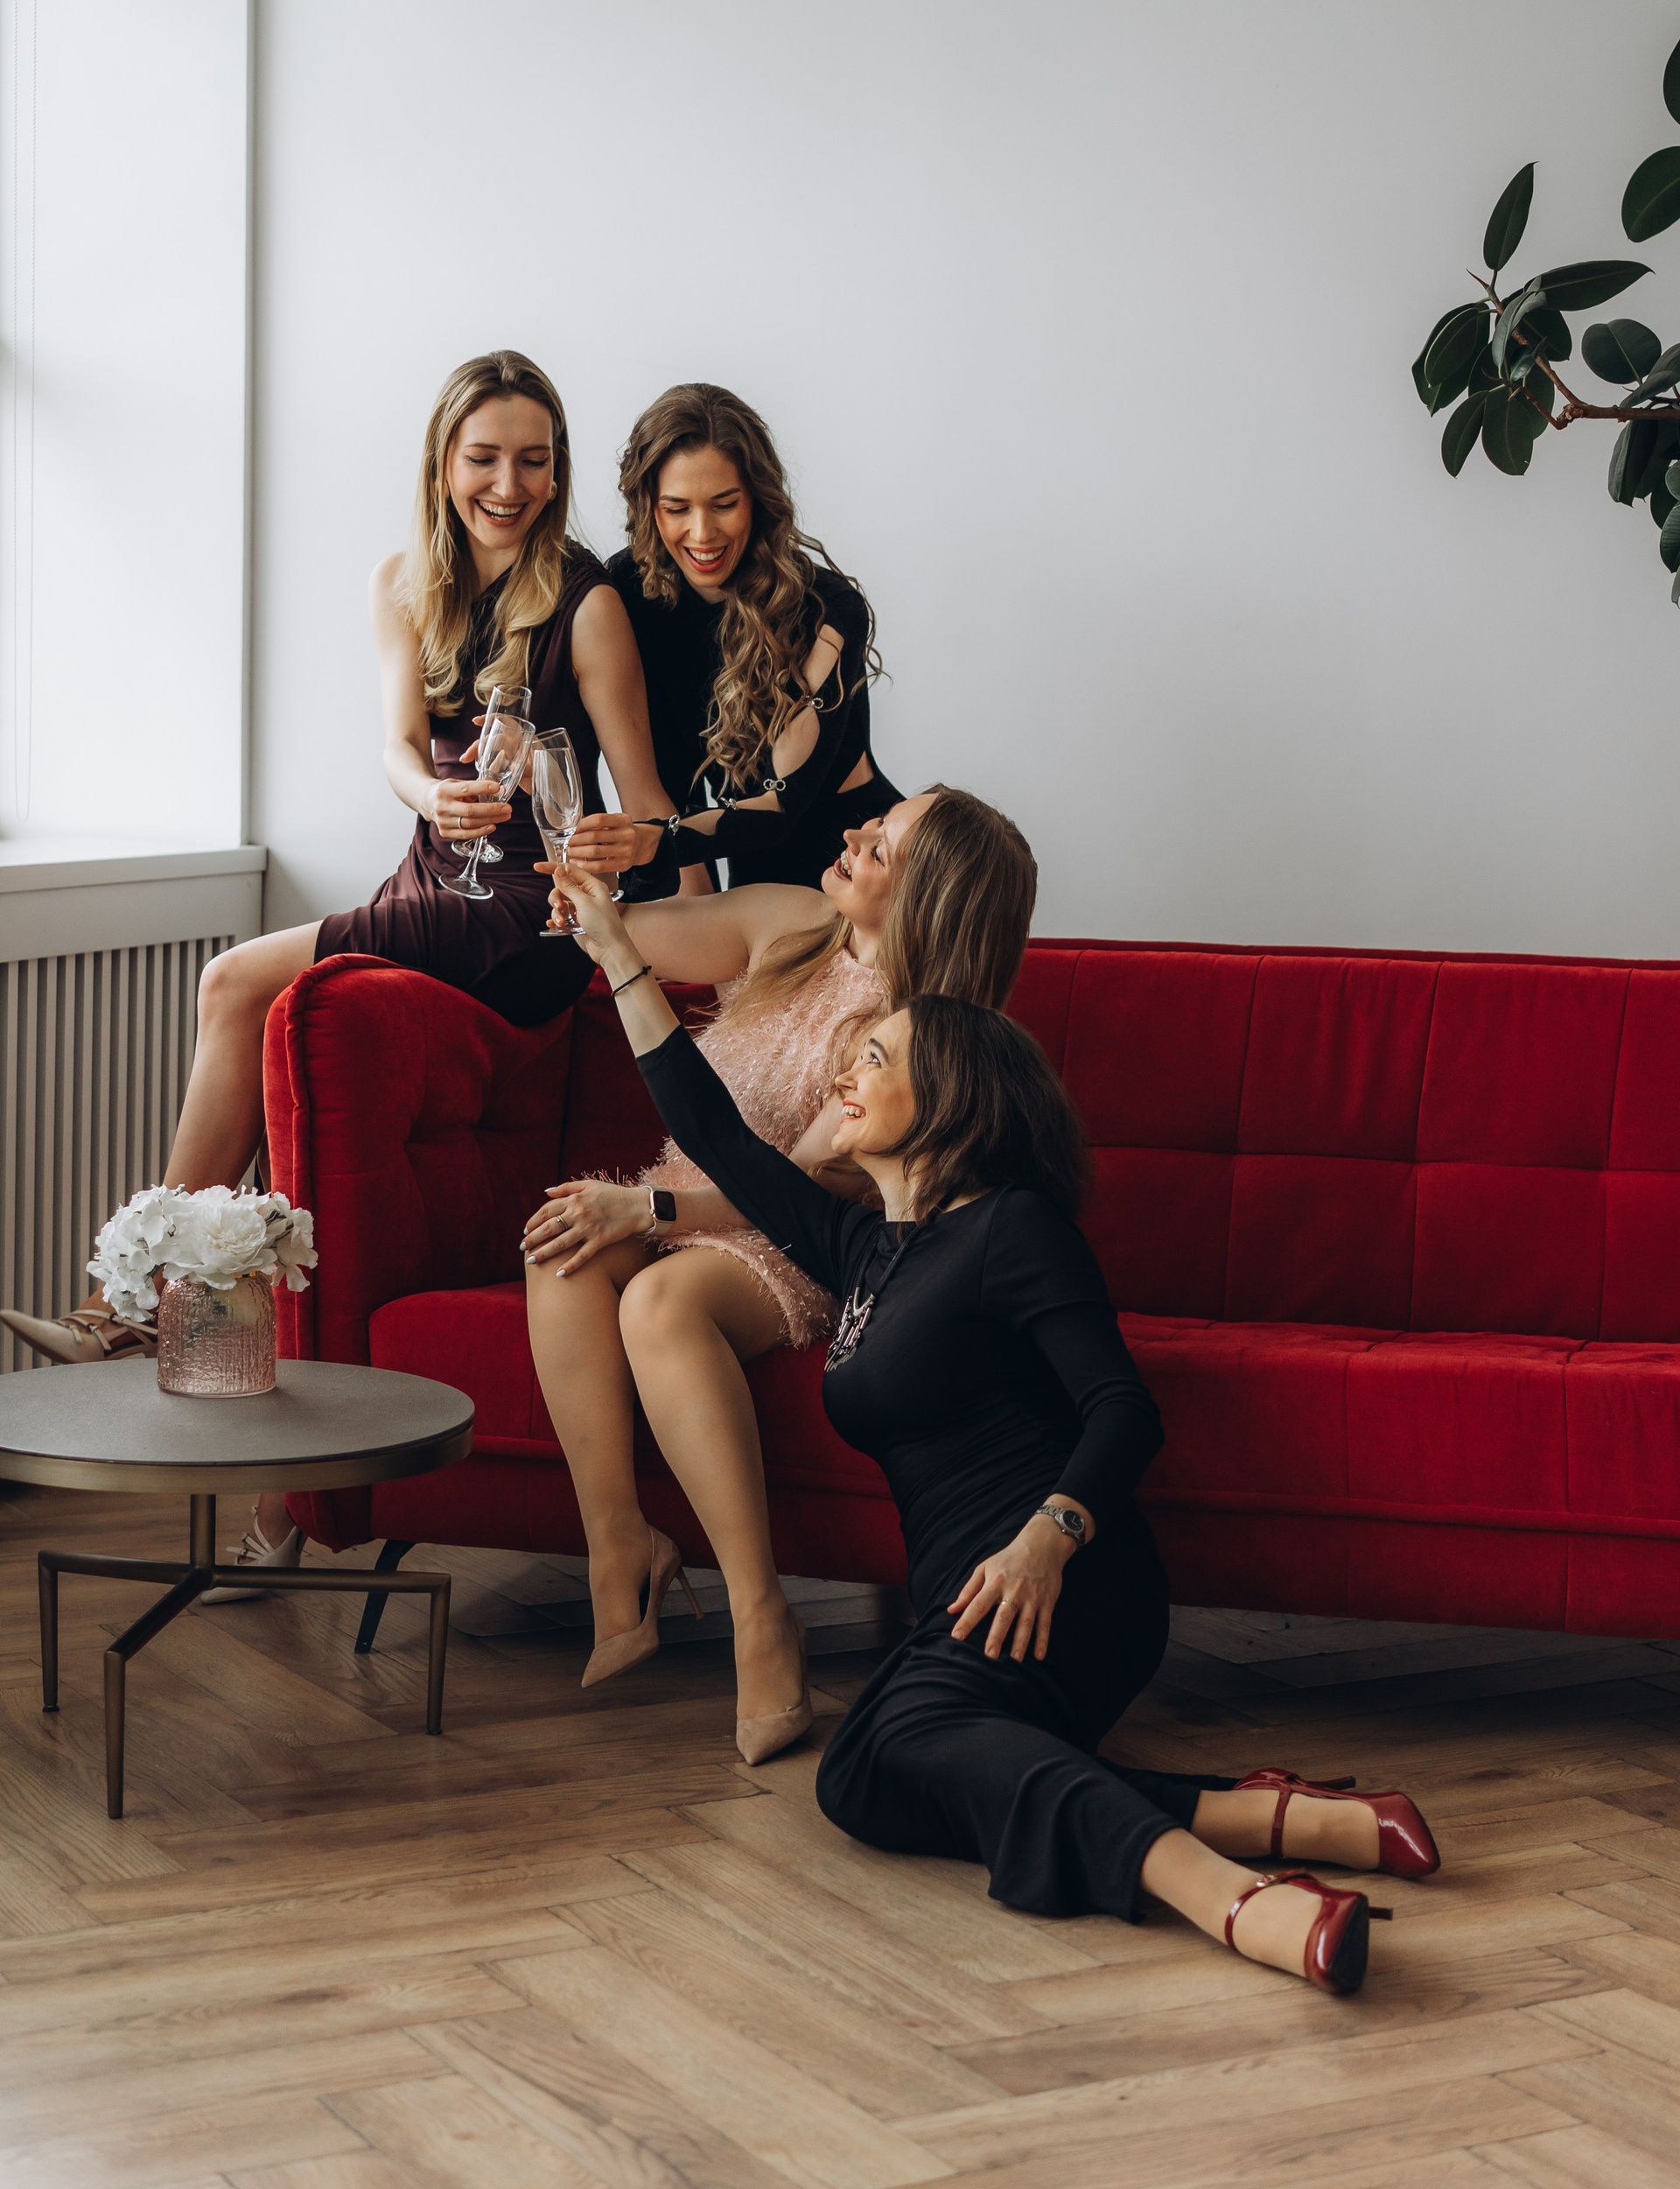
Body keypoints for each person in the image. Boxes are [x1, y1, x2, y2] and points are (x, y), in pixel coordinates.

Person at [553, 859, 1443, 1998]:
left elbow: (1122, 1409)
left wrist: (1045, 1540)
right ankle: (1285, 1817)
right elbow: (715, 1135)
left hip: (1066, 1588)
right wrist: (617, 952)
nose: (847, 1073)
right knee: (860, 1774)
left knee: (904, 1742)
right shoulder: (864, 1251)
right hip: (965, 1606)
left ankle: (1236, 1898)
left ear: (953, 1097)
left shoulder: (1013, 1231)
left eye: (878, 1059)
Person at [1, 353, 682, 1564]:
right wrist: (433, 794)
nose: (510, 484)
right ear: (442, 463)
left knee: (232, 982)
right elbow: (399, 752)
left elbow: (647, 800)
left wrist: (663, 906)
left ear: (559, 471)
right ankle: (267, 1466)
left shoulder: (586, 605)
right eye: (485, 458)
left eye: (534, 461)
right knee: (278, 1052)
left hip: (519, 922)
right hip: (424, 884)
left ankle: (128, 1306)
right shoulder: (402, 583)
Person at [520, 786, 1037, 1753]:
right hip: (689, 1196)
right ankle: (618, 1539)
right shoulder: (793, 920)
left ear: (927, 898)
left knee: (662, 1298)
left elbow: (789, 1195)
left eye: (879, 846)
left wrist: (647, 1209)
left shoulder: (917, 1037)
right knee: (560, 1245)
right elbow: (621, 935)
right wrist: (586, 904)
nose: (850, 835)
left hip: (806, 1245)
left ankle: (762, 1613)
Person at [568, 383, 900, 898]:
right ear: (648, 506)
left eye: (724, 504)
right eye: (677, 508)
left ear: (758, 501)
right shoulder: (631, 593)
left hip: (859, 874)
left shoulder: (830, 612)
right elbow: (653, 777)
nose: (702, 534)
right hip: (731, 876)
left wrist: (653, 842)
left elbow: (780, 805)